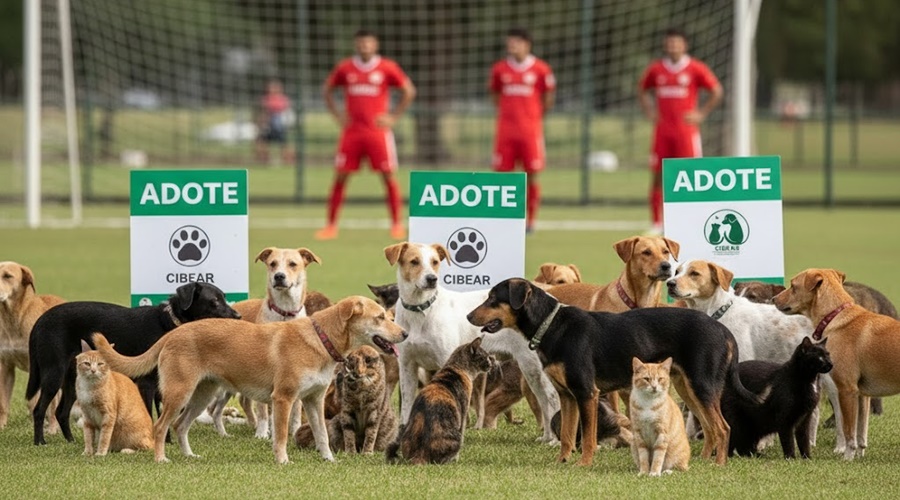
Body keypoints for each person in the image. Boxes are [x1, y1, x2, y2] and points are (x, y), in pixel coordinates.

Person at [316, 30, 416, 241]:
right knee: (340, 176)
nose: (365, 46)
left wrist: (393, 117)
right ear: (356, 45)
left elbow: (409, 90)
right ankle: (331, 226)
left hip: (377, 133)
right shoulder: (345, 68)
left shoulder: (387, 67)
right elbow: (327, 89)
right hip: (352, 132)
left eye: (369, 43)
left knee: (388, 176)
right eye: (361, 43)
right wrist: (338, 115)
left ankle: (396, 225)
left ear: (375, 45)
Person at [638, 28, 723, 235]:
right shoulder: (656, 69)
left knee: (692, 176)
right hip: (662, 132)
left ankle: (695, 220)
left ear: (684, 45)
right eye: (669, 43)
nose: (673, 47)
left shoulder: (695, 68)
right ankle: (657, 222)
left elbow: (716, 91)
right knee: (657, 175)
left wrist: (701, 113)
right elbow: (642, 89)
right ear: (665, 45)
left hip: (686, 133)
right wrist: (650, 111)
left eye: (676, 43)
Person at [489, 28, 556, 234]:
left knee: (531, 176)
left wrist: (532, 117)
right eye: (509, 42)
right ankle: (503, 220)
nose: (512, 46)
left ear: (527, 44)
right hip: (506, 133)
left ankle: (530, 220)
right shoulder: (500, 69)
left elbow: (548, 99)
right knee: (502, 179)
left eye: (516, 42)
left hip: (530, 133)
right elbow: (495, 95)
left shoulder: (541, 69)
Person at [255, 79, 295, 165]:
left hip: (280, 127)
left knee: (285, 143)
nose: (272, 89)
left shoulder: (283, 100)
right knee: (260, 141)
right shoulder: (265, 99)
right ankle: (264, 160)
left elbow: (287, 113)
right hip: (268, 127)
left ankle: (288, 160)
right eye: (271, 87)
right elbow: (262, 113)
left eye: (274, 87)